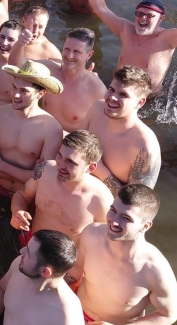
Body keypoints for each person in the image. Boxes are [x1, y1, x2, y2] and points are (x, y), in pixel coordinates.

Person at [69, 185, 177, 325]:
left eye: (126, 218)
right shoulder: (91, 234)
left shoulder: (154, 270)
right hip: (79, 313)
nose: (113, 221)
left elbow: (168, 314)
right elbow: (75, 273)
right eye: (113, 210)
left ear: (145, 226)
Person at [0, 230, 86, 325]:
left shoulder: (66, 318)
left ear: (45, 272)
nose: (21, 251)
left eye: (28, 252)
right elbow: (0, 289)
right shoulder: (18, 266)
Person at [0, 60, 64, 200]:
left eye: (23, 91)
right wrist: (29, 174)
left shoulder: (51, 129)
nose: (15, 95)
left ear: (40, 94)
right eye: (14, 87)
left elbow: (42, 178)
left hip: (27, 196)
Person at [10, 130, 113, 247]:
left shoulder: (100, 199)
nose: (61, 165)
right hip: (32, 245)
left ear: (91, 167)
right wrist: (17, 212)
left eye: (71, 162)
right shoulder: (45, 170)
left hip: (65, 262)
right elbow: (22, 195)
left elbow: (107, 243)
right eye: (60, 155)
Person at [82, 66, 161, 195]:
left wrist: (100, 170)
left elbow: (135, 203)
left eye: (123, 95)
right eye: (111, 89)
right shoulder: (97, 108)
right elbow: (76, 145)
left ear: (140, 103)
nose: (112, 97)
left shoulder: (144, 147)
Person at [40, 28, 107, 132]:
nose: (69, 55)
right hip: (42, 134)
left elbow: (105, 126)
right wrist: (21, 43)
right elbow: (17, 63)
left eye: (76, 51)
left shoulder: (97, 89)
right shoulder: (49, 70)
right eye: (67, 49)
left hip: (69, 145)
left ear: (89, 55)